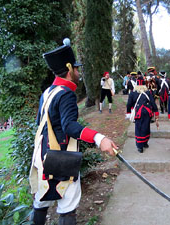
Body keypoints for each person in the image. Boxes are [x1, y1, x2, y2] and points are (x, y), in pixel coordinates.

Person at [29, 38, 118, 225]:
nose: (78, 72)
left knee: (40, 202)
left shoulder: (47, 93)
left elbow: (41, 124)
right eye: (76, 69)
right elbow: (69, 126)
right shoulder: (66, 94)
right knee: (67, 207)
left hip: (42, 156)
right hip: (61, 159)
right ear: (69, 70)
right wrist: (99, 138)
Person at [126, 74, 159, 153]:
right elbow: (153, 103)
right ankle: (145, 143)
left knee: (138, 129)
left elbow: (129, 104)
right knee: (146, 127)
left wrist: (129, 113)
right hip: (147, 112)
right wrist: (156, 112)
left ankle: (140, 146)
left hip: (138, 113)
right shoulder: (148, 92)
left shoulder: (133, 93)